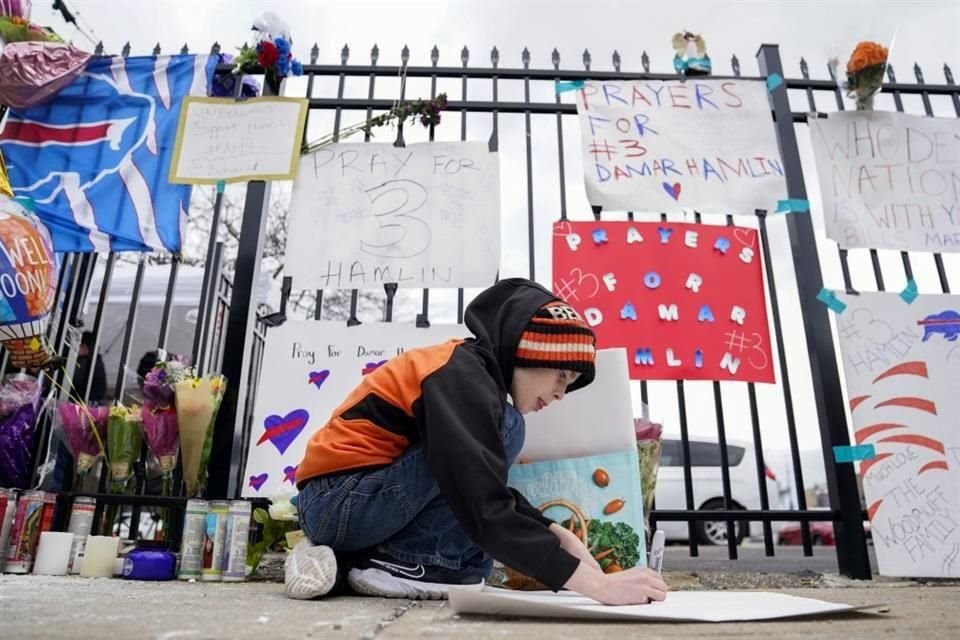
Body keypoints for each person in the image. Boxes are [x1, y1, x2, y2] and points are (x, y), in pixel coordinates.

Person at [285, 278, 668, 605]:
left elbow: (480, 482)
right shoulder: (460, 374)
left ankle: (349, 563)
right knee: (507, 430)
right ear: (527, 351)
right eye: (560, 376)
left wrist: (555, 532)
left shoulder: (473, 380)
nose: (559, 396)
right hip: (339, 500)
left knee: (470, 569)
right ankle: (398, 562)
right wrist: (596, 585)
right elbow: (474, 489)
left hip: (357, 501)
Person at [73, 331, 107, 403]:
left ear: (84, 346)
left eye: (78, 345)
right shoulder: (97, 361)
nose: (75, 349)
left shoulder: (86, 362)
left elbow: (72, 382)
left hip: (85, 405)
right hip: (94, 404)